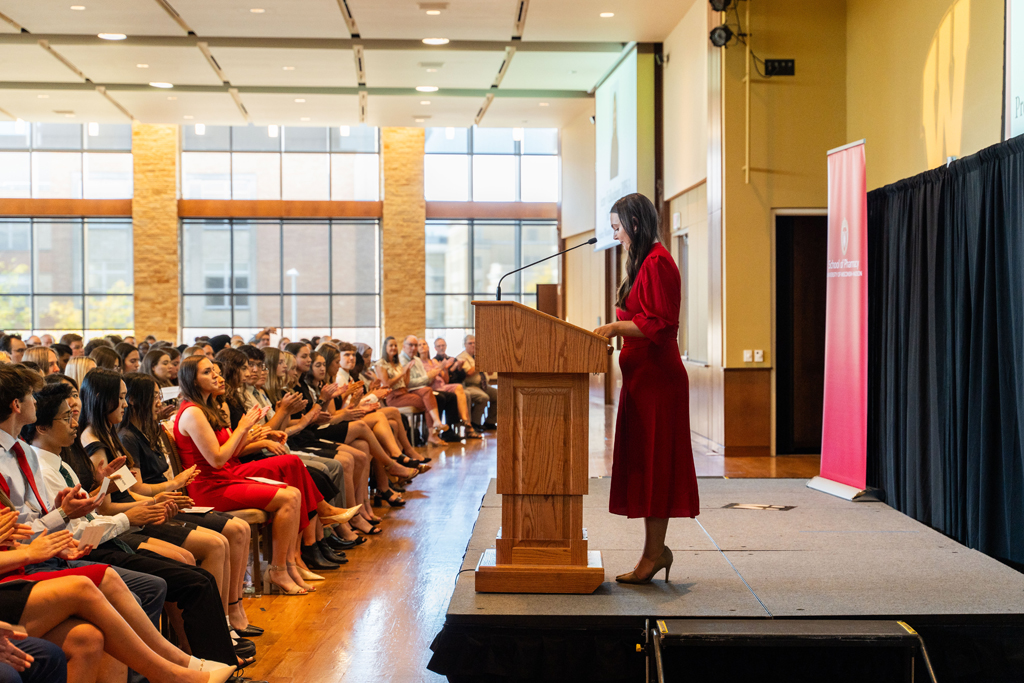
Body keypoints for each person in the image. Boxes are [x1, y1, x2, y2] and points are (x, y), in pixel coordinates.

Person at [593, 193, 699, 585]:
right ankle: (655, 552)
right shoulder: (642, 263)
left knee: (657, 467)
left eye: (617, 228)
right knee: (645, 466)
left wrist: (615, 327)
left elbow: (659, 325)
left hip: (659, 382)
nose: (616, 236)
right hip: (640, 382)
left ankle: (653, 554)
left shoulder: (658, 263)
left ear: (635, 225)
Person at [375, 337, 447, 445]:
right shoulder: (380, 363)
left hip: (404, 392)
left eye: (395, 345)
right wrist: (402, 372)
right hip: (393, 396)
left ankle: (434, 431)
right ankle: (433, 433)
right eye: (391, 345)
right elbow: (386, 384)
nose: (394, 348)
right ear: (385, 347)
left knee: (428, 393)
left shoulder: (397, 362)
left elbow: (406, 382)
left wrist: (407, 371)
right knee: (429, 403)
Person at [418, 339, 479, 438]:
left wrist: (445, 369)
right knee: (449, 397)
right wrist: (440, 367)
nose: (422, 346)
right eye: (419, 345)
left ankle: (465, 419)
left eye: (424, 344)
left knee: (458, 387)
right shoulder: (419, 363)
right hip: (432, 388)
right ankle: (450, 428)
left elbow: (445, 380)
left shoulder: (432, 361)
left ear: (428, 347)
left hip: (442, 386)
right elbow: (428, 381)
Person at [457, 335, 497, 431]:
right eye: (470, 343)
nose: (473, 345)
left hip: (483, 385)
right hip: (470, 386)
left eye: (475, 343)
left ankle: (490, 422)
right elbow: (469, 373)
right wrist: (480, 362)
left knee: (498, 395)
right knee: (483, 397)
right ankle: (475, 423)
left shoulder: (478, 356)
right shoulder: (461, 357)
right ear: (465, 345)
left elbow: (490, 373)